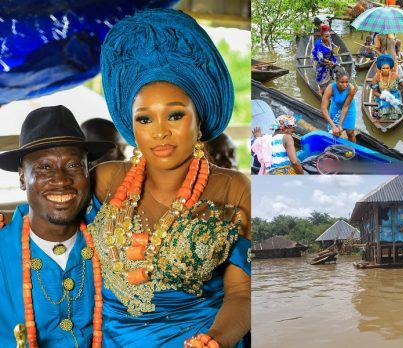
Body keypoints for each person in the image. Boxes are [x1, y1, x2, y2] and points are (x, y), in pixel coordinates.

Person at [97, 8, 250, 347]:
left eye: (175, 114)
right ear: (132, 125)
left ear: (199, 118)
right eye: (145, 119)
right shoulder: (106, 180)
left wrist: (215, 340)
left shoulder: (234, 188)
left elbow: (242, 291)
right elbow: (51, 216)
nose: (160, 133)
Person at [0, 105, 114, 347]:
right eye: (44, 167)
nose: (61, 180)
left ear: (88, 172)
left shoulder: (113, 235)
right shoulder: (3, 251)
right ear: (22, 177)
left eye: (73, 165)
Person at [370, 54, 403, 120]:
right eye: (383, 68)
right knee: (384, 108)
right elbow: (375, 92)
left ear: (390, 68)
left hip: (395, 96)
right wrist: (383, 97)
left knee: (396, 110)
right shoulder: (376, 77)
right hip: (382, 97)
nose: (385, 70)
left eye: (387, 68)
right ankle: (379, 111)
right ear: (381, 69)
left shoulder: (395, 75)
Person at [321, 67, 357, 143]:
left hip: (349, 108)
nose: (345, 85)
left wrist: (340, 124)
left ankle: (353, 150)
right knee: (335, 132)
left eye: (347, 82)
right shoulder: (330, 88)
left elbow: (345, 107)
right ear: (336, 81)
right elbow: (324, 108)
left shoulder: (351, 89)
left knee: (350, 132)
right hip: (335, 107)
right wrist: (334, 126)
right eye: (342, 82)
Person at [313, 27, 339, 96]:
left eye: (329, 36)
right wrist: (330, 62)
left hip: (330, 60)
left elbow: (332, 46)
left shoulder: (329, 39)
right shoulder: (318, 44)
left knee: (329, 77)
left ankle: (327, 90)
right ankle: (322, 93)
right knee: (321, 81)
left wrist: (335, 49)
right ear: (321, 36)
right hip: (321, 64)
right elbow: (320, 58)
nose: (328, 38)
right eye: (326, 36)